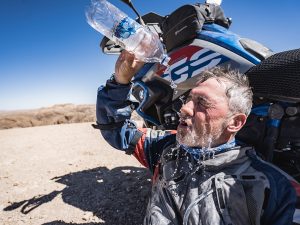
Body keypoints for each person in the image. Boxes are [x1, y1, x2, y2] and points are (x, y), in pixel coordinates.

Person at [95, 50, 298, 225]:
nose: (184, 108)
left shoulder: (272, 185)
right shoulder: (165, 147)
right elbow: (118, 131)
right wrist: (120, 82)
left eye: (202, 102)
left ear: (235, 122)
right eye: (189, 98)